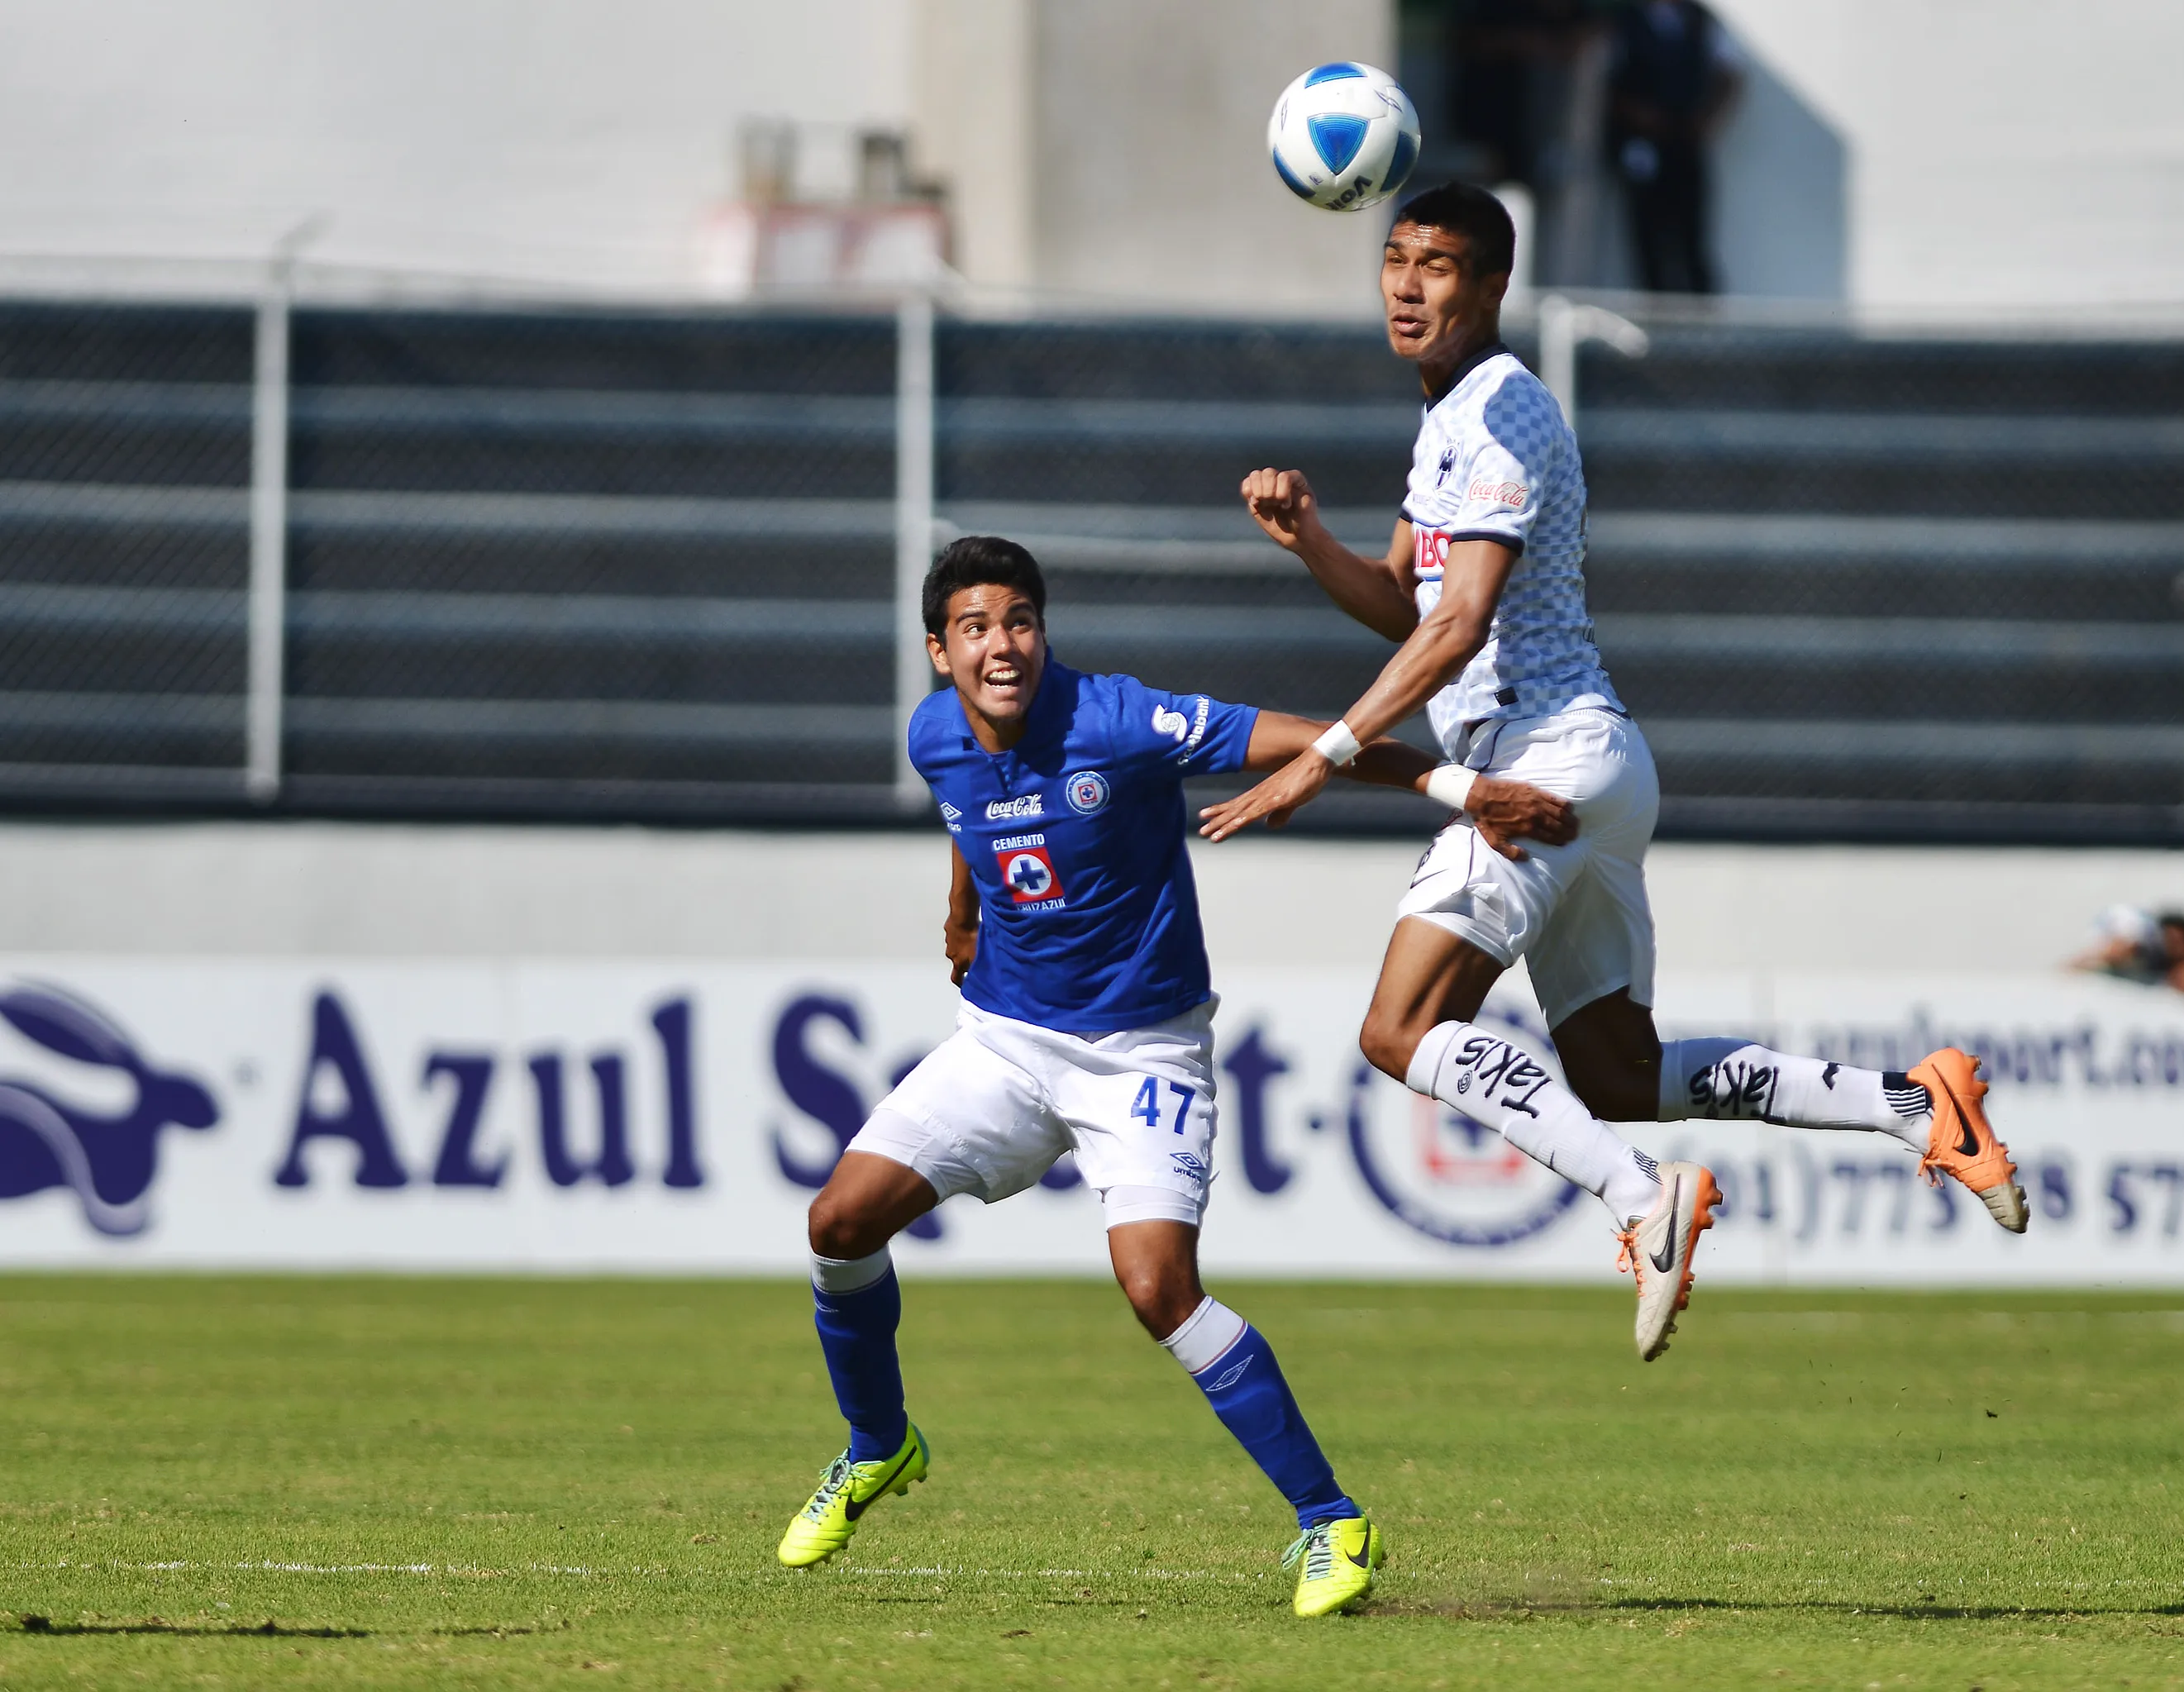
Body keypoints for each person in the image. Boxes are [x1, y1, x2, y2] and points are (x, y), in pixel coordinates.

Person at [1208, 183, 2028, 1369]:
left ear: (1489, 287)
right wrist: (1312, 545)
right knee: (1615, 1070)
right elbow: (1407, 606)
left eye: (1434, 265)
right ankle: (1915, 1104)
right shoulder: (1445, 416)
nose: (1403, 283)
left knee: (1399, 1028)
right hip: (1581, 764)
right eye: (1392, 259)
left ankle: (1642, 1198)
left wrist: (1324, 758)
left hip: (1541, 764)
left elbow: (1458, 626)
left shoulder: (1501, 417)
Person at [776, 535, 1575, 1618]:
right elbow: (971, 816)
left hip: (1141, 1052)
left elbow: (1325, 743)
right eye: (974, 627)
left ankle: (1329, 1519)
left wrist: (1462, 787)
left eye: (1017, 620)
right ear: (938, 649)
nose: (999, 644)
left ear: (1040, 631)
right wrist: (962, 911)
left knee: (1156, 1287)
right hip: (1006, 1040)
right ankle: (878, 1443)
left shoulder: (1118, 720)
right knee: (837, 1220)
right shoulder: (933, 734)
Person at [1605, 0, 1744, 295]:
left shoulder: (1700, 20)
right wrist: (1637, 114)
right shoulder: (1624, 21)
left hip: (1686, 144)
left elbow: (1730, 72)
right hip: (1642, 145)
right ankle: (1656, 322)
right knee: (1648, 240)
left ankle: (1701, 325)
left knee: (1692, 238)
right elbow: (1603, 79)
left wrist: (1708, 119)